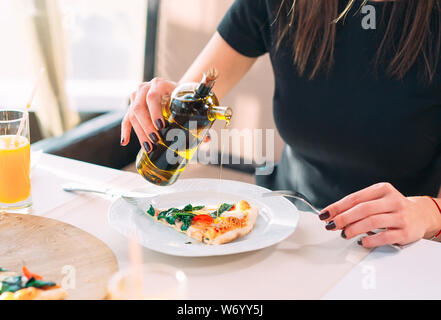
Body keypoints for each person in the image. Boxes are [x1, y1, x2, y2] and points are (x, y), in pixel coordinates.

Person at [120, 0, 441, 248]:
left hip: (398, 248)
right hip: (283, 227)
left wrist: (428, 213)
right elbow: (195, 95)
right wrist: (167, 101)